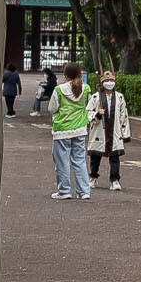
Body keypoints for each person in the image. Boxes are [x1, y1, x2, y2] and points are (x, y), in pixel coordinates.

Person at [46, 62, 90, 199]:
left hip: (62, 130)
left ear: (65, 75)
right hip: (80, 130)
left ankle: (64, 191)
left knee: (62, 161)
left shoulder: (59, 90)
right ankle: (84, 191)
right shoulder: (86, 88)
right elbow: (88, 105)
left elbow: (51, 109)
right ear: (80, 74)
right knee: (79, 160)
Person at [86, 68, 132, 191]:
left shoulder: (120, 97)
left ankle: (115, 180)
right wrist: (97, 114)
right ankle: (93, 177)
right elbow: (88, 112)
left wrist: (124, 133)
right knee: (95, 156)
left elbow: (124, 115)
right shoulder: (96, 97)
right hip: (99, 131)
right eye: (107, 80)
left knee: (115, 157)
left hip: (115, 131)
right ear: (102, 83)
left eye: (111, 80)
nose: (109, 82)